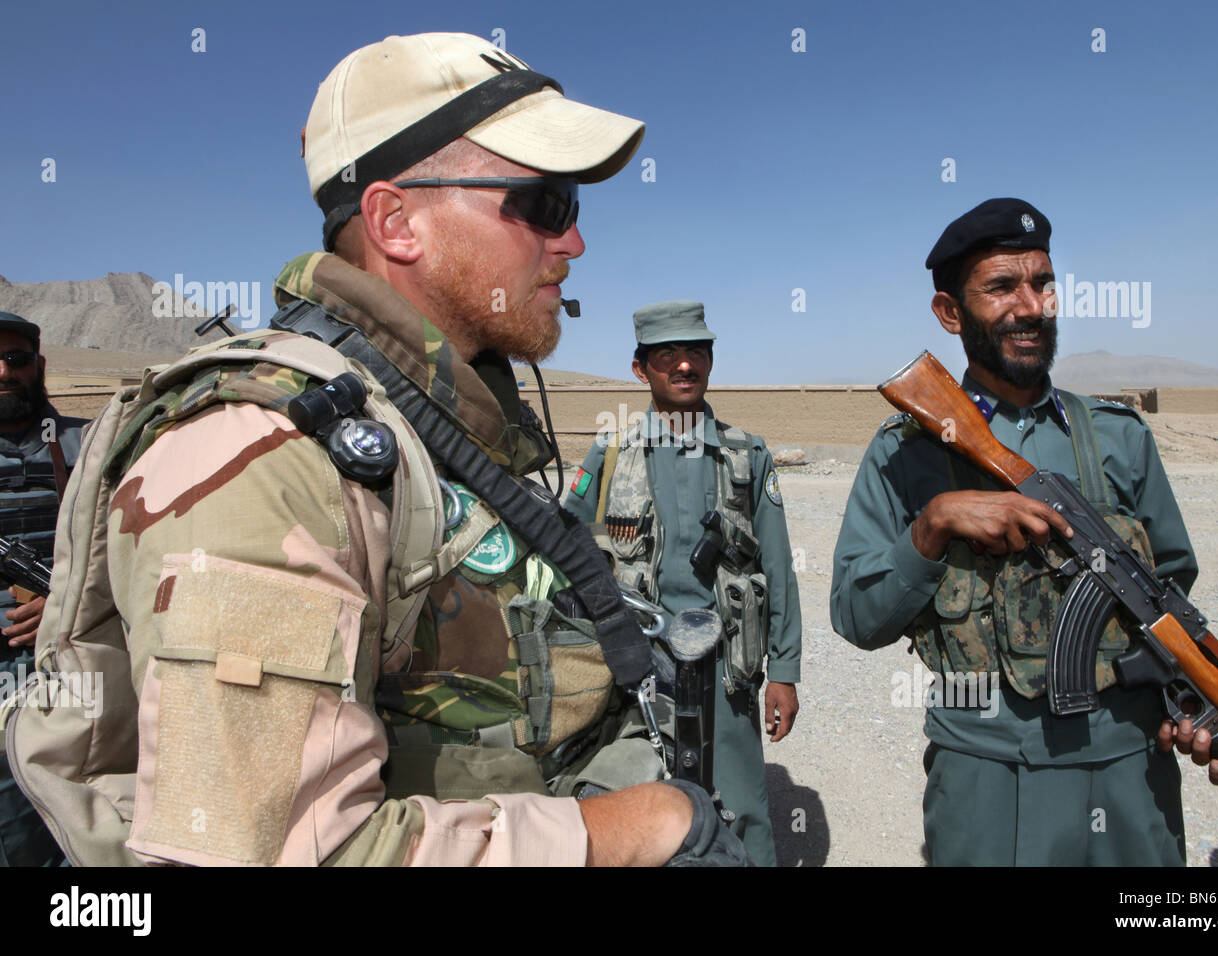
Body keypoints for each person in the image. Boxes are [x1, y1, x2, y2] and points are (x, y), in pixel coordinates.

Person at [21, 33, 748, 867]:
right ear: (395, 221)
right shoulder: (260, 457)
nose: (573, 244)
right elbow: (269, 853)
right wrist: (621, 834)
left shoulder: (438, 424)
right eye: (544, 204)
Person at [830, 198, 1218, 866]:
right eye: (1001, 287)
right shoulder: (906, 452)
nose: (1030, 305)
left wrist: (1198, 699)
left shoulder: (1118, 438)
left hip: (1128, 767)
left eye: (1042, 283)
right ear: (950, 313)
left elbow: (1168, 595)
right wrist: (933, 524)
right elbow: (857, 617)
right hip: (986, 771)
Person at [563, 300, 802, 866]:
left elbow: (779, 567)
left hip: (726, 667)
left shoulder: (747, 453)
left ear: (711, 363)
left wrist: (785, 672)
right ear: (639, 369)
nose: (685, 366)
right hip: (634, 668)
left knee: (741, 806)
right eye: (667, 355)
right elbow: (567, 550)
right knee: (640, 802)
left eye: (696, 352)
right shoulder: (612, 450)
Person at [0, 312, 85, 867]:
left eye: (17, 359)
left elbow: (137, 551)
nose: (4, 371)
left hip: (84, 657)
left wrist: (65, 604)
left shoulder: (89, 442)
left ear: (40, 366)